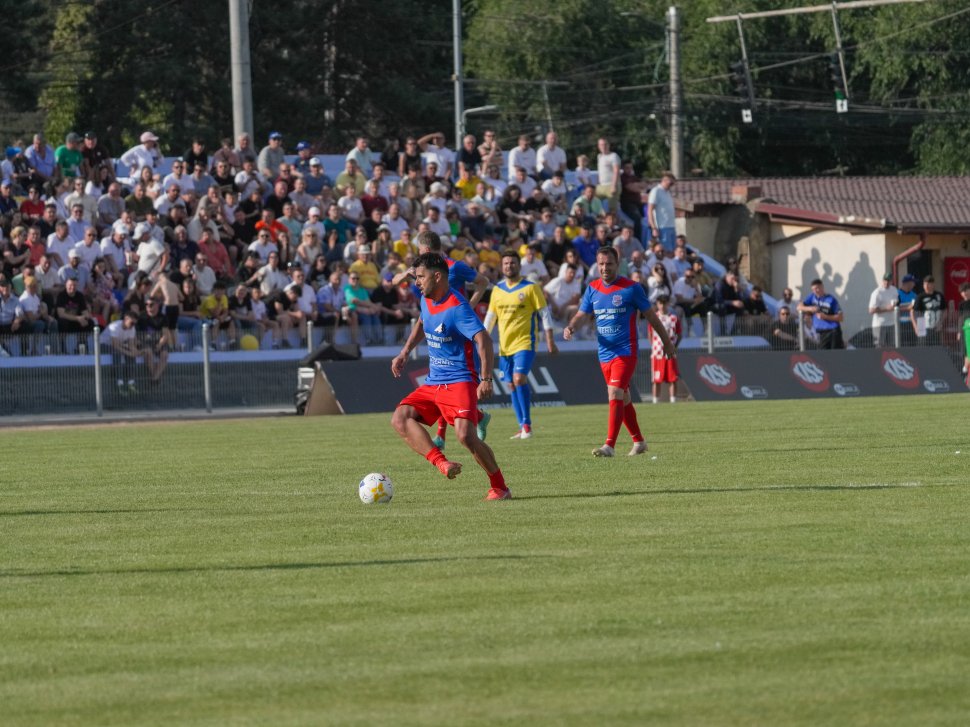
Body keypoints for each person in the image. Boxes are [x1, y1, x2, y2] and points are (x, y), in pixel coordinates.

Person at [390, 252, 511, 500]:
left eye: (421, 277)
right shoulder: (426, 299)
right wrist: (404, 352)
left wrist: (486, 379)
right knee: (400, 418)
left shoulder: (458, 307)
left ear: (437, 276)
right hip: (434, 381)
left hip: (460, 381)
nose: (417, 282)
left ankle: (500, 487)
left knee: (466, 436)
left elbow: (483, 339)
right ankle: (442, 463)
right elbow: (423, 324)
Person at [563, 246, 676, 457]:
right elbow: (581, 315)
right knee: (622, 398)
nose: (605, 268)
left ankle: (609, 446)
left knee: (614, 392)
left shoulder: (631, 288)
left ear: (618, 264)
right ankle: (639, 442)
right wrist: (571, 327)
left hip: (626, 350)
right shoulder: (592, 288)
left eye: (609, 264)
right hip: (604, 352)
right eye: (601, 264)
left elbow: (652, 317)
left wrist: (667, 343)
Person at [484, 250, 558, 440]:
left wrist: (550, 340)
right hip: (504, 346)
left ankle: (527, 425)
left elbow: (545, 314)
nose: (509, 266)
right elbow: (490, 318)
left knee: (518, 379)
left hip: (525, 342)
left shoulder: (531, 288)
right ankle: (521, 426)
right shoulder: (497, 290)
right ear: (502, 267)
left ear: (519, 265)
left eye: (513, 263)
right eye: (506, 263)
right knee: (510, 384)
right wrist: (481, 337)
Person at [105, 309, 157, 394]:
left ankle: (131, 382)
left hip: (119, 344)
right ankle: (120, 383)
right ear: (126, 319)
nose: (133, 326)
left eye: (134, 324)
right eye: (132, 323)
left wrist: (136, 352)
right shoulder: (114, 326)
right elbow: (115, 345)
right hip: (104, 345)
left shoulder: (132, 329)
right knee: (117, 352)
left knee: (129, 354)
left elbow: (131, 346)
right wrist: (131, 353)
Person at [650, 295, 681, 404]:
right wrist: (655, 347)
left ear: (668, 304)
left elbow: (679, 334)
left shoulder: (674, 318)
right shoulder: (653, 318)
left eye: (664, 303)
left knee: (673, 378)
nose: (662, 306)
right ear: (657, 304)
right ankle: (655, 402)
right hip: (657, 353)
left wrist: (674, 348)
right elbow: (650, 335)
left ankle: (673, 401)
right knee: (656, 380)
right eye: (660, 303)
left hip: (670, 354)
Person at [798, 278, 844, 349]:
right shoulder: (812, 297)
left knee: (835, 356)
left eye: (817, 288)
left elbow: (840, 317)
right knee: (822, 356)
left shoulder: (831, 299)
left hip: (833, 331)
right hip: (821, 333)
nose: (815, 291)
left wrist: (825, 317)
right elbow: (799, 307)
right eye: (813, 289)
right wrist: (810, 308)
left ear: (822, 287)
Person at [647, 172, 676, 251]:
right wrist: (654, 228)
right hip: (662, 227)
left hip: (671, 226)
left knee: (673, 251)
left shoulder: (667, 193)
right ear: (664, 180)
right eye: (670, 183)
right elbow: (650, 210)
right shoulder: (656, 191)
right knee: (665, 251)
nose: (671, 185)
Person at [913, 275, 945, 346]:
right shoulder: (920, 297)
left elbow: (944, 310)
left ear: (933, 284)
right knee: (923, 347)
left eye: (928, 284)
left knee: (936, 346)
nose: (926, 286)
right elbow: (913, 312)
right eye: (924, 284)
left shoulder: (939, 295)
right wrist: (916, 326)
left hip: (936, 326)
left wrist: (941, 322)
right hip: (924, 326)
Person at [868, 273, 899, 347]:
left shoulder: (894, 290)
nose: (887, 283)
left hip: (892, 323)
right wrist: (886, 309)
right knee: (879, 347)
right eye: (885, 280)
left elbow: (897, 302)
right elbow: (871, 310)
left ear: (892, 281)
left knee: (892, 347)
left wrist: (895, 305)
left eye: (889, 281)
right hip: (880, 325)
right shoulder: (877, 292)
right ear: (882, 280)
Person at [896, 274, 918, 346]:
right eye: (913, 282)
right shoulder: (897, 294)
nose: (914, 285)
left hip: (912, 324)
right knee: (902, 345)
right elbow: (894, 309)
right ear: (907, 283)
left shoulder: (914, 295)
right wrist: (907, 308)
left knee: (912, 344)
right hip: (900, 324)